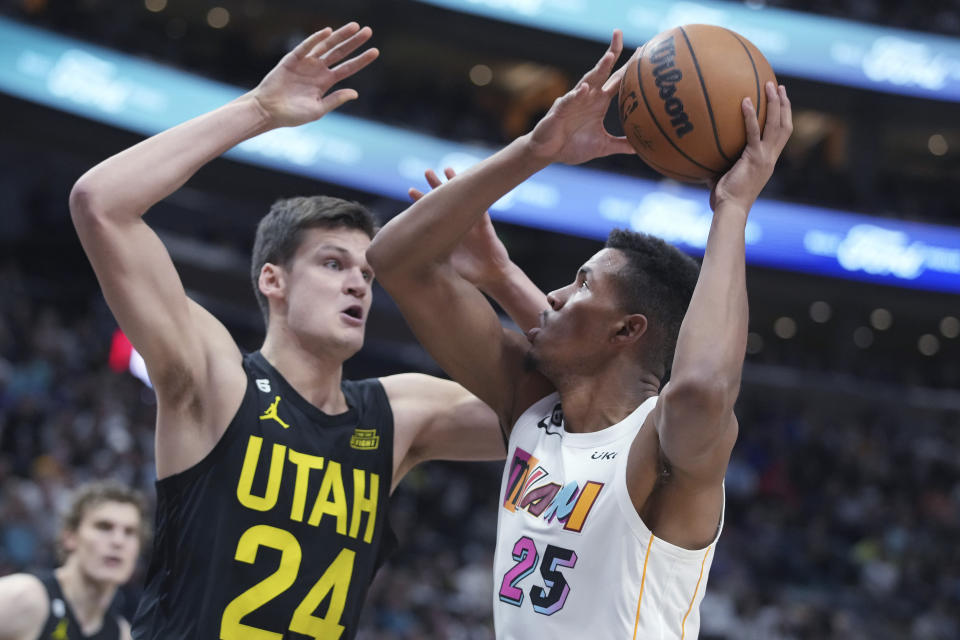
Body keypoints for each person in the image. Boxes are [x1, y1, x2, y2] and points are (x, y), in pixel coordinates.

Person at [68, 22, 544, 640]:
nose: (358, 284)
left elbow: (569, 405)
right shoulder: (217, 381)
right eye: (333, 263)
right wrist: (259, 110)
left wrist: (503, 278)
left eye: (368, 273)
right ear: (273, 280)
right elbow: (100, 203)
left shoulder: (399, 415)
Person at [368, 29, 793, 638]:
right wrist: (536, 149)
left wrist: (732, 210)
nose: (557, 296)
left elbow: (700, 386)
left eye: (581, 284)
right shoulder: (532, 412)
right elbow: (397, 262)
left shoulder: (661, 448)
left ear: (627, 330)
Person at [0, 481, 147, 640]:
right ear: (70, 536)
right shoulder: (23, 597)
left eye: (130, 532)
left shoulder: (123, 635)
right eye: (104, 527)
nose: (118, 541)